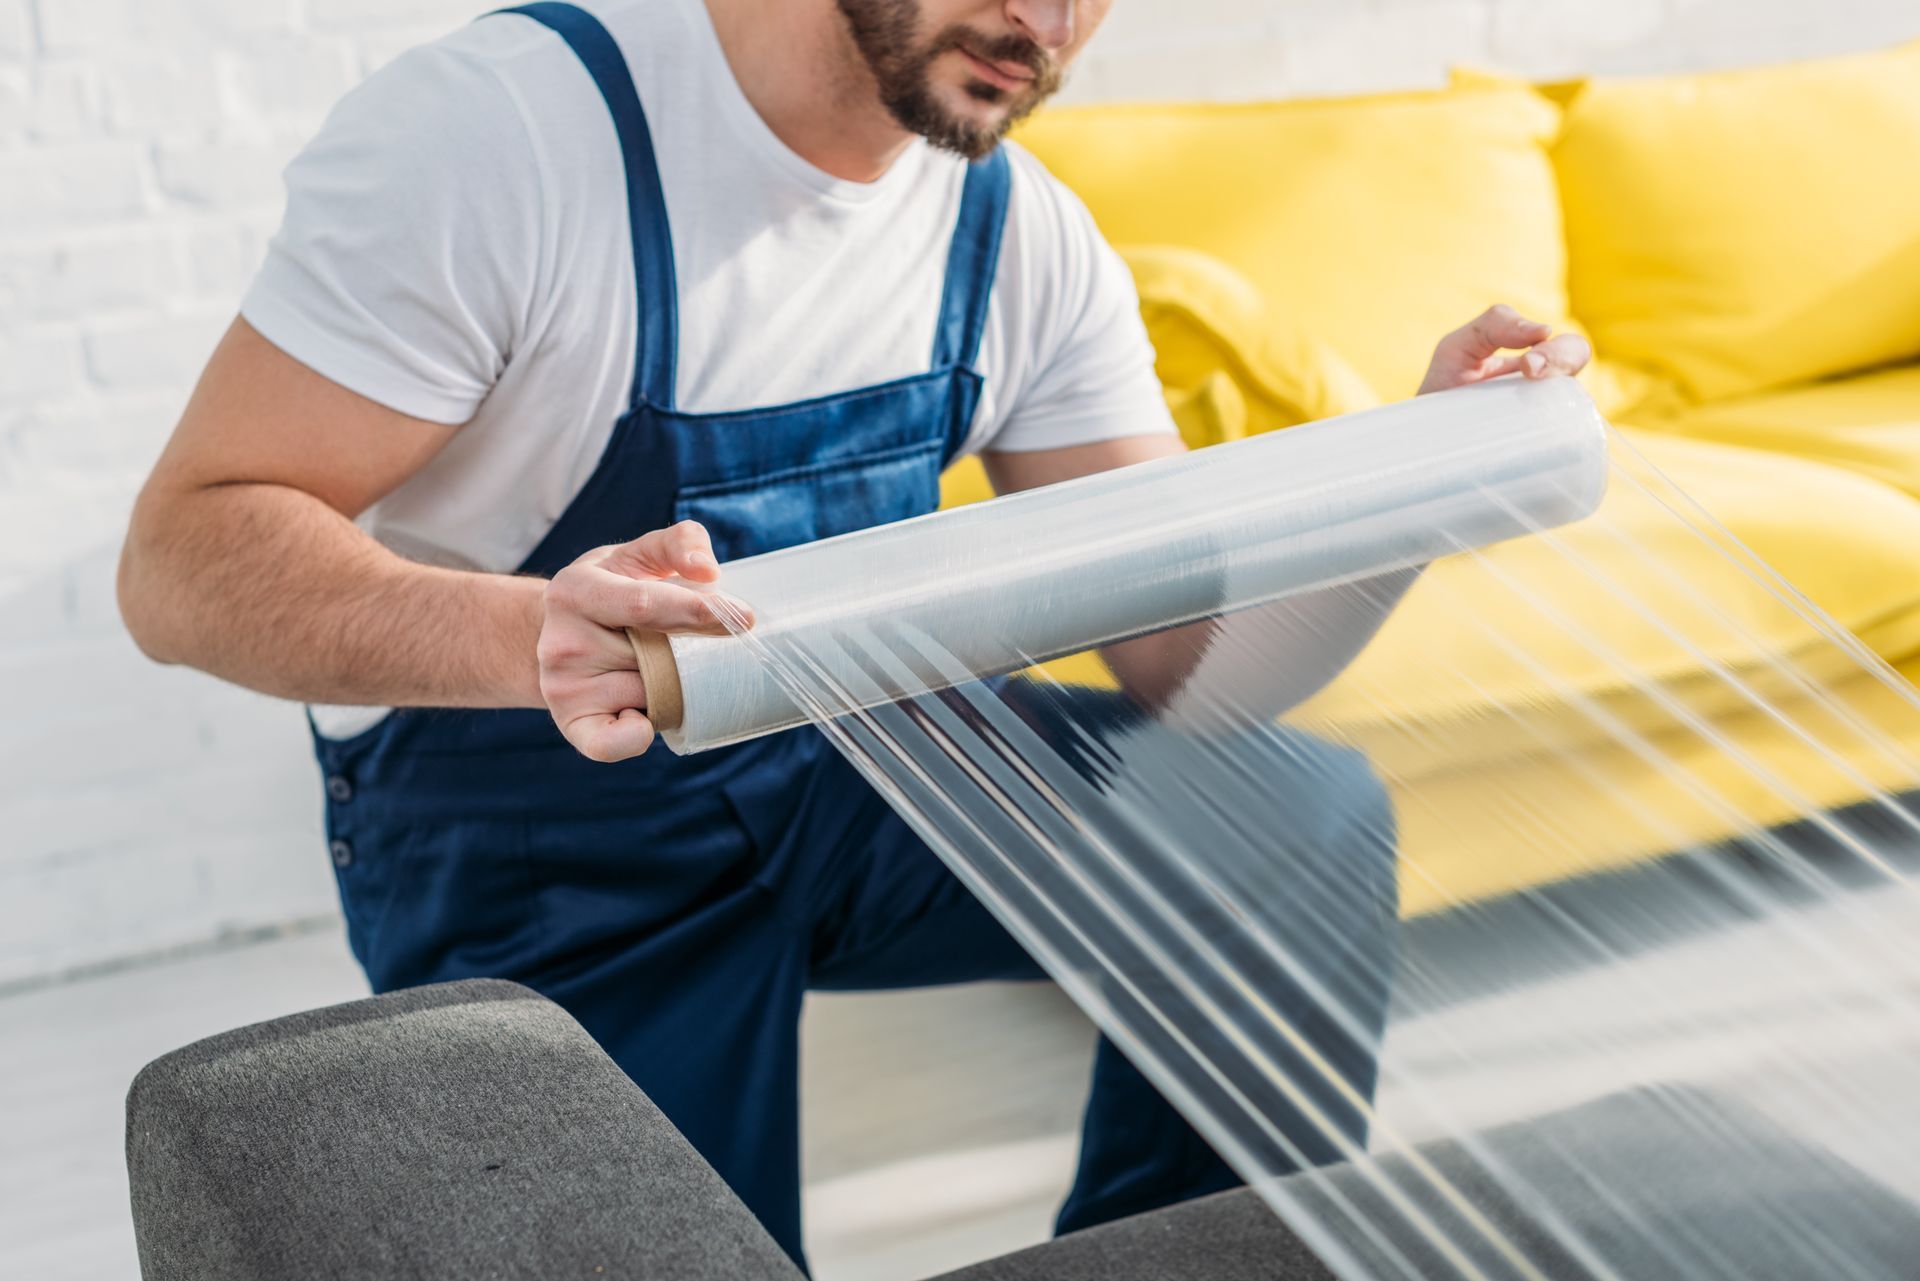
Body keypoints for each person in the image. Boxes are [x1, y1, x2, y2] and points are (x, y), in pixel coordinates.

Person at [117, 0, 1591, 1265]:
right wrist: (533, 638)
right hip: (545, 841)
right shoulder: (506, 137)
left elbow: (1189, 666)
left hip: (875, 777)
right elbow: (181, 560)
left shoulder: (1019, 232)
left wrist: (1411, 494)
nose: (1053, 20)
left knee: (1295, 815)